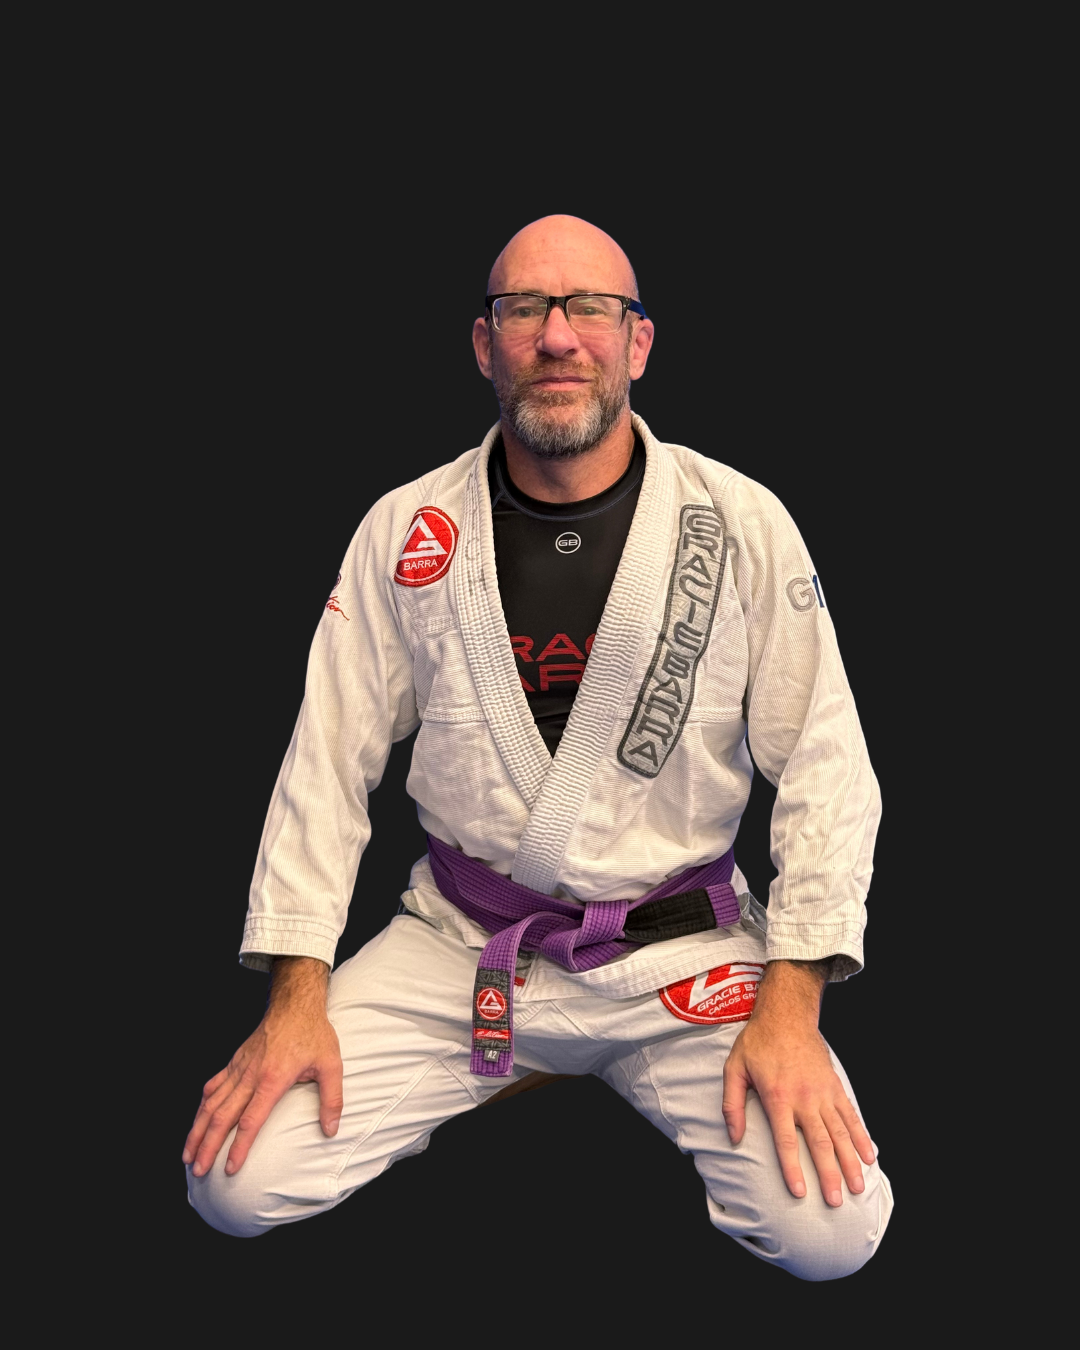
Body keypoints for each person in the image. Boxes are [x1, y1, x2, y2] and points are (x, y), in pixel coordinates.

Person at [184, 215, 893, 1280]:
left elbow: (830, 768)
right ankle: (523, 1053)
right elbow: (325, 767)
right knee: (233, 1187)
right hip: (465, 944)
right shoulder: (408, 530)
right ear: (486, 344)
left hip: (680, 952)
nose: (558, 337)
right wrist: (295, 1001)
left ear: (637, 343)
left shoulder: (739, 523)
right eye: (526, 308)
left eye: (590, 309)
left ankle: (587, 1055)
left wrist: (792, 1004)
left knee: (833, 1235)